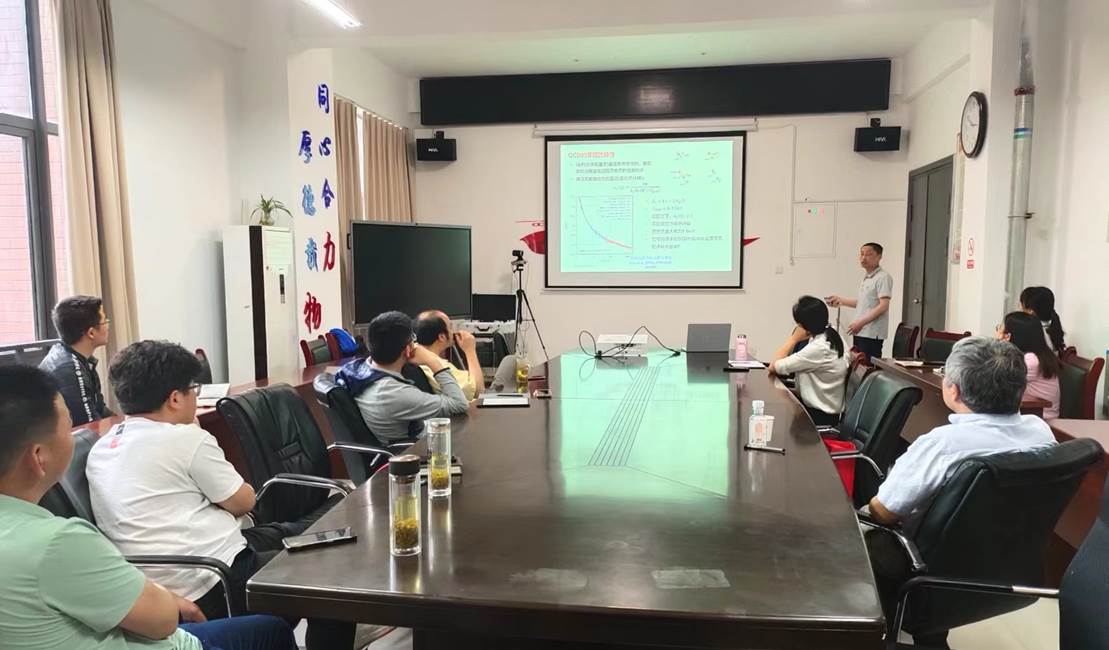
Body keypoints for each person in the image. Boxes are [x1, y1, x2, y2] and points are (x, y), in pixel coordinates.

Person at [0, 365, 297, 650]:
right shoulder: (56, 543)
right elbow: (163, 622)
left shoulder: (101, 453)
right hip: (177, 622)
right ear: (39, 457)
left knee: (269, 624)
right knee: (274, 625)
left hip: (154, 593)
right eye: (67, 429)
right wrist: (162, 599)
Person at [84, 341, 352, 649]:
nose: (195, 397)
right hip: (214, 579)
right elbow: (244, 501)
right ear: (175, 398)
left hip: (154, 589)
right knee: (332, 580)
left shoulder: (102, 447)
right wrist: (194, 432)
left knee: (297, 535)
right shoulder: (185, 439)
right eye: (193, 389)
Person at [865, 337, 1056, 647]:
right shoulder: (1040, 432)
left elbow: (884, 511)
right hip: (1008, 571)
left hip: (928, 573)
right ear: (1020, 389)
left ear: (953, 390)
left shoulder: (943, 444)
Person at [349, 311, 469, 442]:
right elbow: (459, 404)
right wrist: (433, 362)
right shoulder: (396, 393)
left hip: (408, 436)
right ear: (408, 350)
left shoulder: (361, 368)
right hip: (415, 449)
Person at [768, 296, 849, 426]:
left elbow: (773, 366)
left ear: (803, 326)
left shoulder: (819, 348)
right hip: (819, 408)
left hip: (819, 417)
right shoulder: (832, 333)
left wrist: (793, 339)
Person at [38, 295, 113, 426]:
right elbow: (88, 425)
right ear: (91, 333)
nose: (108, 325)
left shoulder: (78, 358)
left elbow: (100, 408)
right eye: (104, 321)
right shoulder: (69, 369)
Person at [826, 243, 894, 361]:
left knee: (867, 366)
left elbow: (883, 306)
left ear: (879, 257)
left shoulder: (883, 277)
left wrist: (860, 323)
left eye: (869, 254)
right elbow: (863, 303)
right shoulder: (867, 277)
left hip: (871, 333)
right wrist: (841, 300)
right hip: (861, 330)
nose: (863, 258)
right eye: (862, 254)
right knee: (858, 365)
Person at [997, 311, 1061, 419]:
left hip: (1041, 417)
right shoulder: (1036, 354)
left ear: (1008, 336)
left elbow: (997, 382)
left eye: (999, 329)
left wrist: (997, 346)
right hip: (1030, 413)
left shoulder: (1030, 361)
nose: (997, 334)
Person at [414, 309, 485, 400]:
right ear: (442, 337)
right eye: (450, 328)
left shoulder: (417, 356)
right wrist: (470, 350)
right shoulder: (434, 365)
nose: (453, 332)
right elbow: (478, 391)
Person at [1019, 286, 1066, 355]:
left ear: (1030, 310)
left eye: (1021, 304)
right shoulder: (1051, 328)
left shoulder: (1034, 333)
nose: (1019, 307)